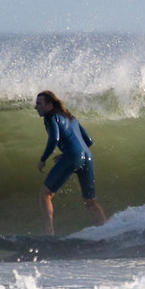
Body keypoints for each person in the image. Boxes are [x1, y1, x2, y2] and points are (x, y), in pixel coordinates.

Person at [33, 90, 107, 235]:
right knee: (90, 201)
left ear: (49, 105)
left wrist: (43, 158)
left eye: (39, 104)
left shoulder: (50, 117)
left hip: (74, 156)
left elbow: (54, 139)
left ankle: (49, 233)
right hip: (87, 157)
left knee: (45, 194)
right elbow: (88, 141)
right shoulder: (70, 117)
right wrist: (69, 152)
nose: (36, 107)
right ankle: (106, 230)